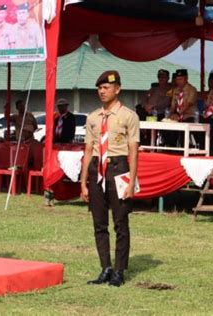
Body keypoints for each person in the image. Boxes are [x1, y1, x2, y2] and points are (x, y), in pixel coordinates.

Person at [81, 71, 140, 287]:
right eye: (100, 88)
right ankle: (105, 267)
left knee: (120, 222)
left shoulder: (128, 116)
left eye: (106, 87)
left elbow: (133, 151)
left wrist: (131, 182)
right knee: (99, 223)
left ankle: (119, 270)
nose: (102, 91)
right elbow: (88, 150)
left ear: (117, 89)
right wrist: (83, 182)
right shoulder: (93, 117)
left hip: (119, 167)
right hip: (97, 169)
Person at [166, 69, 198, 147]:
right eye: (177, 79)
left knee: (183, 128)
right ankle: (170, 147)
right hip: (177, 115)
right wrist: (171, 114)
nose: (178, 81)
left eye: (181, 79)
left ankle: (185, 147)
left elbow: (188, 104)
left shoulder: (192, 89)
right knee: (166, 126)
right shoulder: (175, 90)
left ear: (186, 78)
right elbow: (173, 105)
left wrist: (178, 113)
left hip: (189, 115)